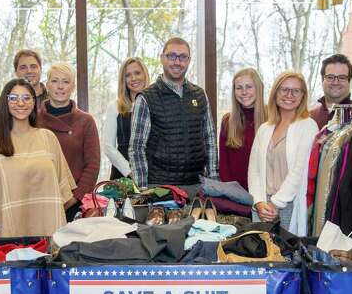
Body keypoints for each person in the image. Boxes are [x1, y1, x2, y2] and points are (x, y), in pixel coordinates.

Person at [0, 78, 75, 238]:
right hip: (8, 233)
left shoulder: (48, 138)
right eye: (14, 98)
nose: (21, 103)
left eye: (26, 98)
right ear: (5, 102)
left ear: (33, 102)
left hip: (50, 232)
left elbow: (65, 194)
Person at [129, 37, 218, 193]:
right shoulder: (146, 98)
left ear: (189, 60)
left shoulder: (200, 94)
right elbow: (137, 148)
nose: (177, 62)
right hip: (160, 189)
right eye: (172, 56)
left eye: (183, 57)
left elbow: (209, 139)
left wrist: (213, 181)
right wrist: (142, 190)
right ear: (162, 58)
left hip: (198, 187)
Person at [248, 71, 318, 235]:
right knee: (260, 254)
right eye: (284, 89)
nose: (289, 95)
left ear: (303, 96)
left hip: (288, 205)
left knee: (287, 256)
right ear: (275, 93)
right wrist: (258, 202)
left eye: (296, 91)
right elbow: (254, 171)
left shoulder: (308, 126)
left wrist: (276, 204)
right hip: (262, 207)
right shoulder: (265, 128)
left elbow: (299, 172)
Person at [37, 62, 100, 221]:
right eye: (55, 81)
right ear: (47, 86)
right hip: (40, 200)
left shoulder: (86, 121)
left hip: (74, 203)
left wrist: (74, 198)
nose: (60, 86)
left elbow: (92, 165)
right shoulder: (34, 120)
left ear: (73, 87)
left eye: (65, 82)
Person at [219, 68, 266, 190]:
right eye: (239, 88)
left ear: (258, 88)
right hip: (236, 194)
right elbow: (224, 166)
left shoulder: (272, 118)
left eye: (249, 87)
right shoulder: (227, 121)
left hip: (265, 193)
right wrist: (234, 193)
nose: (244, 92)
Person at [103, 57, 149, 179]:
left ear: (145, 74)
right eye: (128, 75)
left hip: (152, 173)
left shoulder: (156, 105)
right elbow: (108, 147)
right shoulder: (115, 106)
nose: (133, 78)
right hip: (123, 174)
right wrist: (130, 171)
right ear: (123, 80)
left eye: (137, 73)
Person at [310, 53, 352, 130]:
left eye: (342, 77)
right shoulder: (310, 117)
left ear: (349, 81)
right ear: (322, 79)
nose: (335, 82)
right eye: (330, 77)